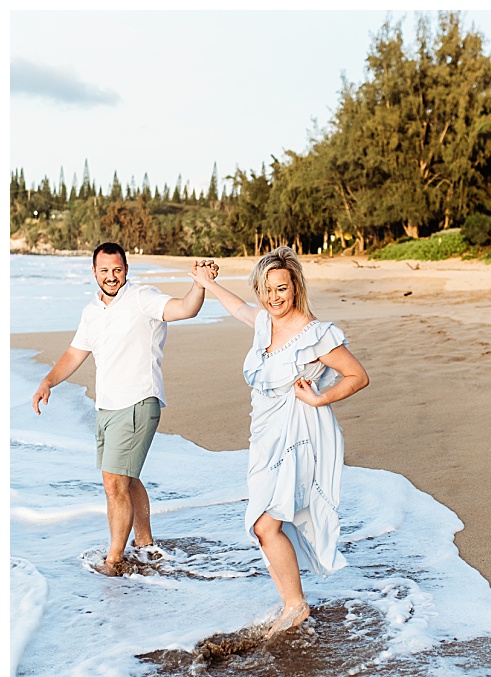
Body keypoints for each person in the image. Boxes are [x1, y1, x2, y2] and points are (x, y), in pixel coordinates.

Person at [190, 247, 369, 637]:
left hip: (299, 437)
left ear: (295, 287)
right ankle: (293, 601)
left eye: (281, 288)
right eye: (267, 289)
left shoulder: (314, 334)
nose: (274, 297)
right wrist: (208, 283)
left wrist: (319, 397)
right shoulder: (264, 324)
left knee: (265, 523)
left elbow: (357, 375)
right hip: (264, 439)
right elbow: (239, 309)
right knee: (262, 524)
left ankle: (296, 604)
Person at [32, 242, 205, 575]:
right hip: (107, 407)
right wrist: (48, 382)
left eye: (117, 270)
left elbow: (185, 308)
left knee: (113, 482)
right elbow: (74, 354)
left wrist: (198, 284)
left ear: (126, 269)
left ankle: (114, 559)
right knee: (126, 478)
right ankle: (145, 545)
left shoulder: (142, 298)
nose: (111, 276)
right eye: (104, 270)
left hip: (139, 401)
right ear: (94, 272)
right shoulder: (92, 311)